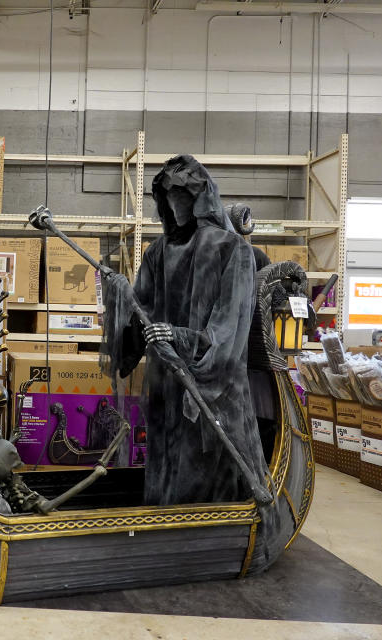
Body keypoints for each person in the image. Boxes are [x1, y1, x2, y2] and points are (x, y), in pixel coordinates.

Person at [103, 155, 269, 506]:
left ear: (201, 199)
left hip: (212, 390)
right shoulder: (157, 253)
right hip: (167, 387)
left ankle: (215, 535)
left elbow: (228, 332)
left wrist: (179, 338)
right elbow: (141, 313)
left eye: (182, 196)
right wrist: (120, 296)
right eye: (167, 197)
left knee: (207, 469)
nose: (174, 204)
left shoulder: (233, 250)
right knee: (168, 463)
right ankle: (166, 526)